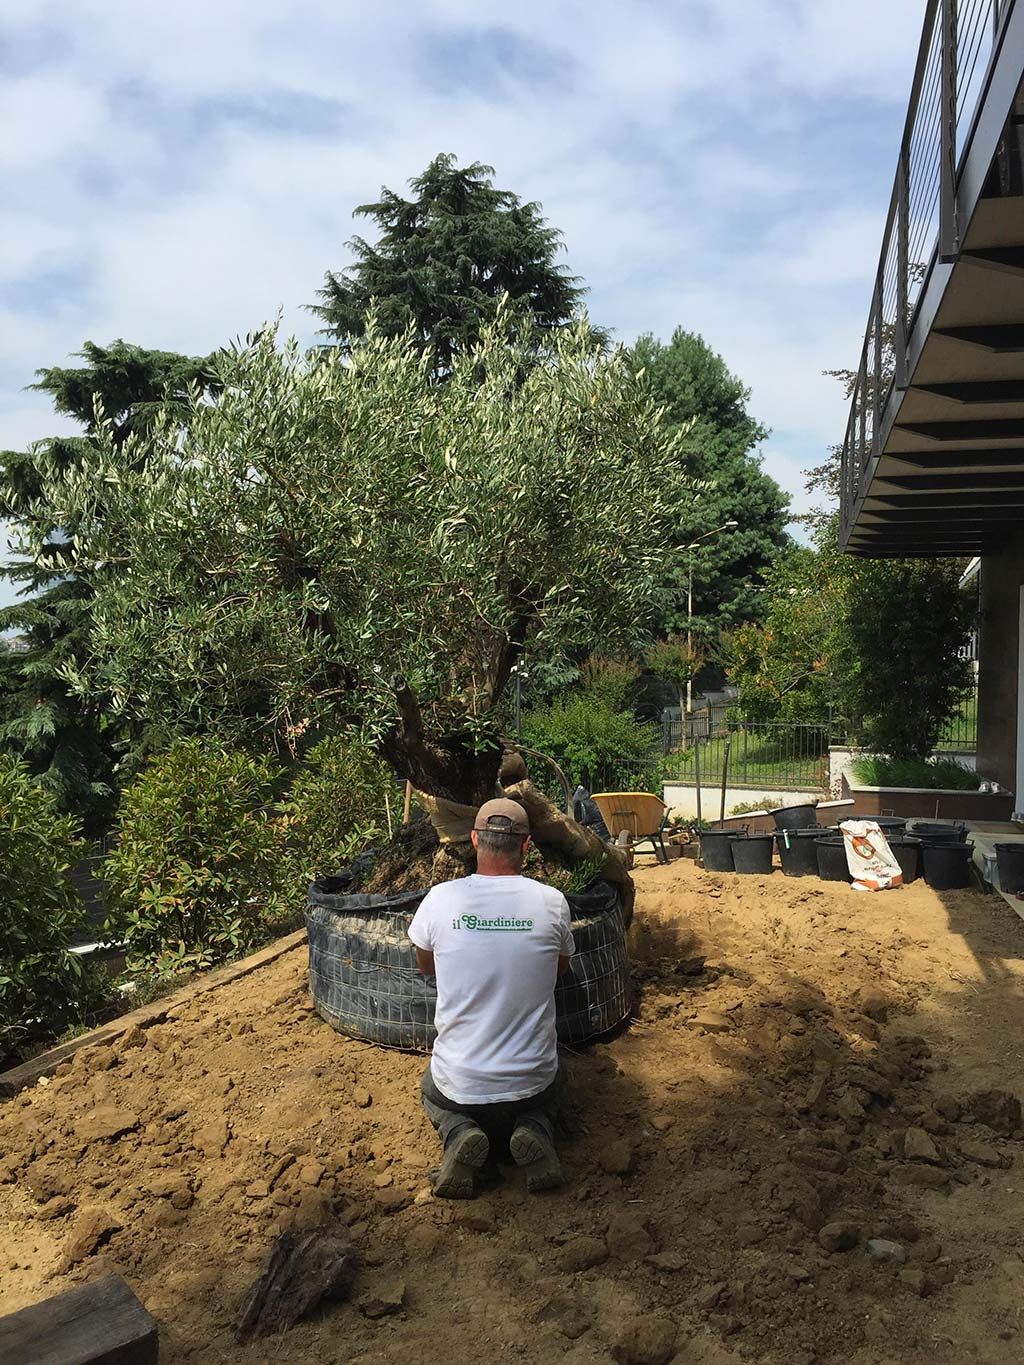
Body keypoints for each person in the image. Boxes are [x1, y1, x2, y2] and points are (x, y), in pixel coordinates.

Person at [408, 798, 575, 1198]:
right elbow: (560, 968)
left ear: (473, 839)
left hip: (460, 1087)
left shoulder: (440, 900)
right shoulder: (551, 902)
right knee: (561, 1075)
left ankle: (459, 1132)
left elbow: (426, 965)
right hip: (531, 1085)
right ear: (526, 847)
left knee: (430, 1086)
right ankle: (533, 1129)